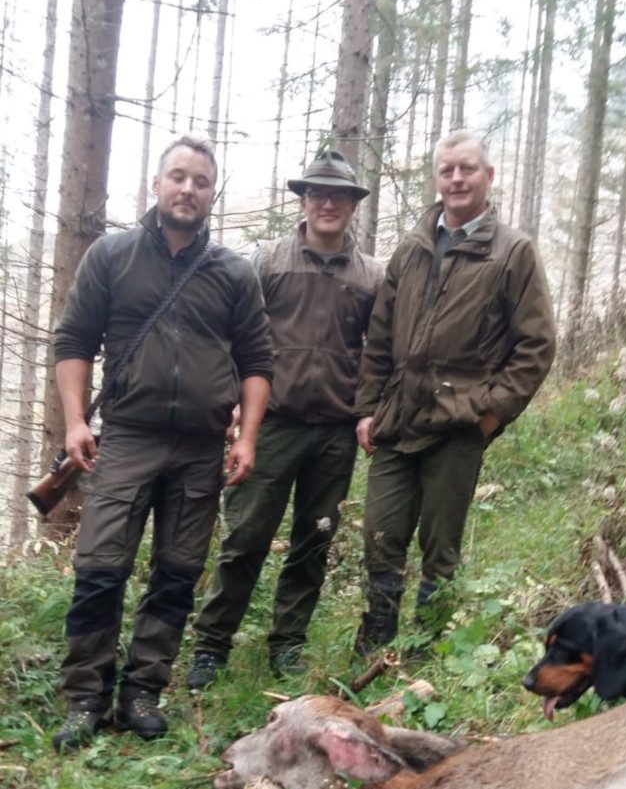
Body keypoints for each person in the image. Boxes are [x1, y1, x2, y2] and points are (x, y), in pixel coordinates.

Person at [52, 134, 274, 751]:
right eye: (178, 177)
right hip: (127, 439)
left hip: (200, 450)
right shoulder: (112, 256)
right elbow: (73, 341)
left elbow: (258, 361)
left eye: (200, 181)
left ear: (212, 193)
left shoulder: (233, 273)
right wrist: (75, 422)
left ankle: (143, 692)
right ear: (156, 184)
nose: (187, 189)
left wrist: (247, 437)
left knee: (177, 574)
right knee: (100, 570)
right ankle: (85, 698)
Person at [353, 129, 556, 653]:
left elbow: (536, 346)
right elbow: (380, 334)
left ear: (488, 176)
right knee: (380, 533)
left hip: (459, 423)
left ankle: (427, 649)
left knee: (440, 547)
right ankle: (377, 641)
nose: (457, 179)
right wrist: (368, 409)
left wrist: (492, 412)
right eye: (448, 171)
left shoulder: (512, 252)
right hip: (398, 420)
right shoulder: (413, 247)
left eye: (467, 169)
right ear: (437, 179)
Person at [186, 149, 382, 686]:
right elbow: (233, 334)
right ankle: (211, 646)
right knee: (244, 539)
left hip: (335, 432)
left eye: (338, 196)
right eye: (317, 193)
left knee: (314, 542)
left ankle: (288, 644)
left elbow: (379, 351)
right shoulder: (267, 261)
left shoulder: (371, 276)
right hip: (269, 425)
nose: (327, 204)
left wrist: (368, 410)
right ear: (303, 200)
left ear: (352, 205)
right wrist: (231, 401)